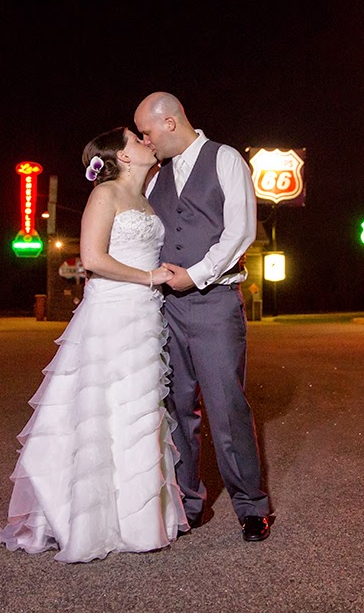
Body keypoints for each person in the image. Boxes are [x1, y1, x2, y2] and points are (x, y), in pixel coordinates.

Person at [0, 126, 188, 563]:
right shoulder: (105, 195)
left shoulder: (146, 197)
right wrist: (150, 276)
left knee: (136, 408)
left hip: (144, 314)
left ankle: (136, 521)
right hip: (112, 313)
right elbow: (93, 258)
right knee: (102, 408)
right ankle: (88, 521)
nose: (146, 141)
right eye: (136, 139)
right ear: (122, 157)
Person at [133, 91, 273, 542]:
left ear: (170, 122)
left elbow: (240, 231)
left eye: (147, 132)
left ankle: (251, 506)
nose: (145, 140)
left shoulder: (225, 159)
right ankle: (188, 503)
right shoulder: (157, 177)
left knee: (226, 406)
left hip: (215, 303)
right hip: (166, 308)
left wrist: (194, 275)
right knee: (177, 407)